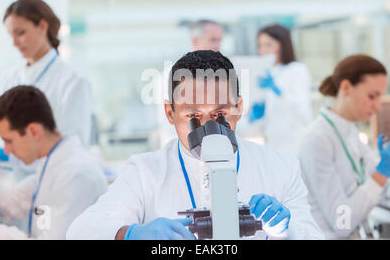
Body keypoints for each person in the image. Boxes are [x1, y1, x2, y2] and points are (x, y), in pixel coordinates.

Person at [66, 50, 324, 240]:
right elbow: (80, 231)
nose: (209, 129)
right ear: (170, 113)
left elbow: (313, 236)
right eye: (193, 116)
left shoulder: (280, 167)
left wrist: (287, 232)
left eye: (220, 114)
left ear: (239, 107)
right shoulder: (145, 172)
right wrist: (130, 233)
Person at [297, 54, 390, 239]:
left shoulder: (350, 132)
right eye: (372, 96)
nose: (378, 106)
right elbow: (342, 222)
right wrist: (383, 171)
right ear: (346, 88)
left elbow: (379, 185)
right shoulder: (317, 140)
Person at [0, 0, 93, 180]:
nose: (15, 43)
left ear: (43, 26)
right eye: (11, 36)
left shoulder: (73, 82)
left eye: (21, 33)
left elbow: (72, 149)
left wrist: (8, 155)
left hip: (52, 186)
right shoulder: (8, 78)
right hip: (7, 187)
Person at [0, 86, 107, 239]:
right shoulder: (52, 164)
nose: (6, 150)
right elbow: (11, 204)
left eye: (9, 141)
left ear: (34, 131)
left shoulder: (74, 175)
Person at [153, 19, 225, 148]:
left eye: (220, 40)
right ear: (195, 41)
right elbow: (168, 122)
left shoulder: (222, 75)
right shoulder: (172, 75)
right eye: (213, 40)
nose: (218, 46)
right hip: (181, 153)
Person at [248, 24, 312, 156]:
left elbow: (304, 116)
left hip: (295, 148)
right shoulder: (267, 75)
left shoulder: (296, 70)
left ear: (282, 45)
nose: (263, 51)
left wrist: (279, 92)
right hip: (272, 147)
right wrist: (253, 117)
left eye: (269, 45)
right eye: (260, 46)